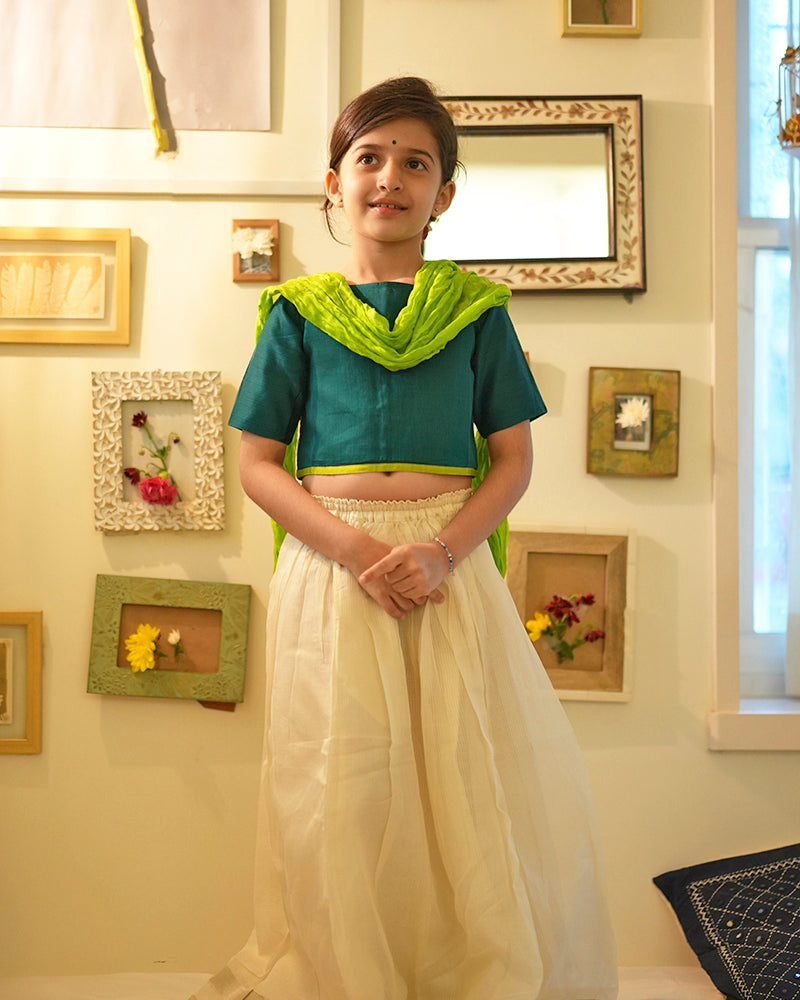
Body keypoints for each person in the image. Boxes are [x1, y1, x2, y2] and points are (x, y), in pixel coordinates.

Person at [193, 76, 617, 1000]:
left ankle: (468, 975)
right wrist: (355, 551)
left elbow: (512, 460)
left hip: (446, 567)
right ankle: (349, 975)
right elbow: (258, 464)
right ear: (334, 184)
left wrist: (440, 551)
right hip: (333, 566)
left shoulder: (479, 313)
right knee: (337, 781)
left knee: (461, 776)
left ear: (444, 194)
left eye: (416, 163)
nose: (391, 177)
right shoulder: (297, 315)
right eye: (370, 157)